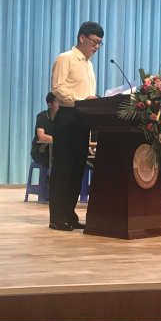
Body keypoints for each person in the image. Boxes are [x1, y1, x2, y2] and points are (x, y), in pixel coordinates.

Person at [48, 21, 103, 231]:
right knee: (63, 169)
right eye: (94, 41)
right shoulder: (66, 58)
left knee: (77, 169)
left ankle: (69, 214)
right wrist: (81, 101)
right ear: (82, 38)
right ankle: (56, 217)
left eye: (99, 43)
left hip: (83, 119)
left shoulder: (88, 64)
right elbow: (57, 88)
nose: (96, 46)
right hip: (68, 117)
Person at [30, 92, 58, 169]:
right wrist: (56, 140)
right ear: (50, 105)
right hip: (39, 151)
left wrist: (48, 142)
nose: (60, 106)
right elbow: (41, 136)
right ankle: (48, 176)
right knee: (53, 159)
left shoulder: (60, 119)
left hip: (53, 149)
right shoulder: (42, 116)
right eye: (57, 103)